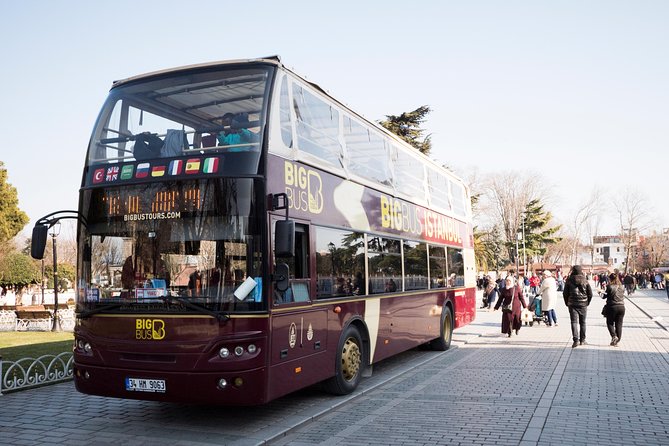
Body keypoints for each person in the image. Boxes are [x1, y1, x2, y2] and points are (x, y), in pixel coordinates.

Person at [563, 265, 593, 348]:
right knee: (582, 322)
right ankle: (582, 340)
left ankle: (575, 340)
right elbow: (590, 293)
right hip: (583, 304)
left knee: (574, 322)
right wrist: (587, 302)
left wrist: (567, 302)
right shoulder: (585, 280)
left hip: (572, 304)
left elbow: (565, 293)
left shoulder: (569, 280)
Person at [602, 273, 625, 346]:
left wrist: (600, 292)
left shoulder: (610, 286)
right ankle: (617, 340)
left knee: (610, 323)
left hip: (612, 307)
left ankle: (614, 336)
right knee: (619, 324)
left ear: (610, 279)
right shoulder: (622, 287)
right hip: (621, 307)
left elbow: (604, 296)